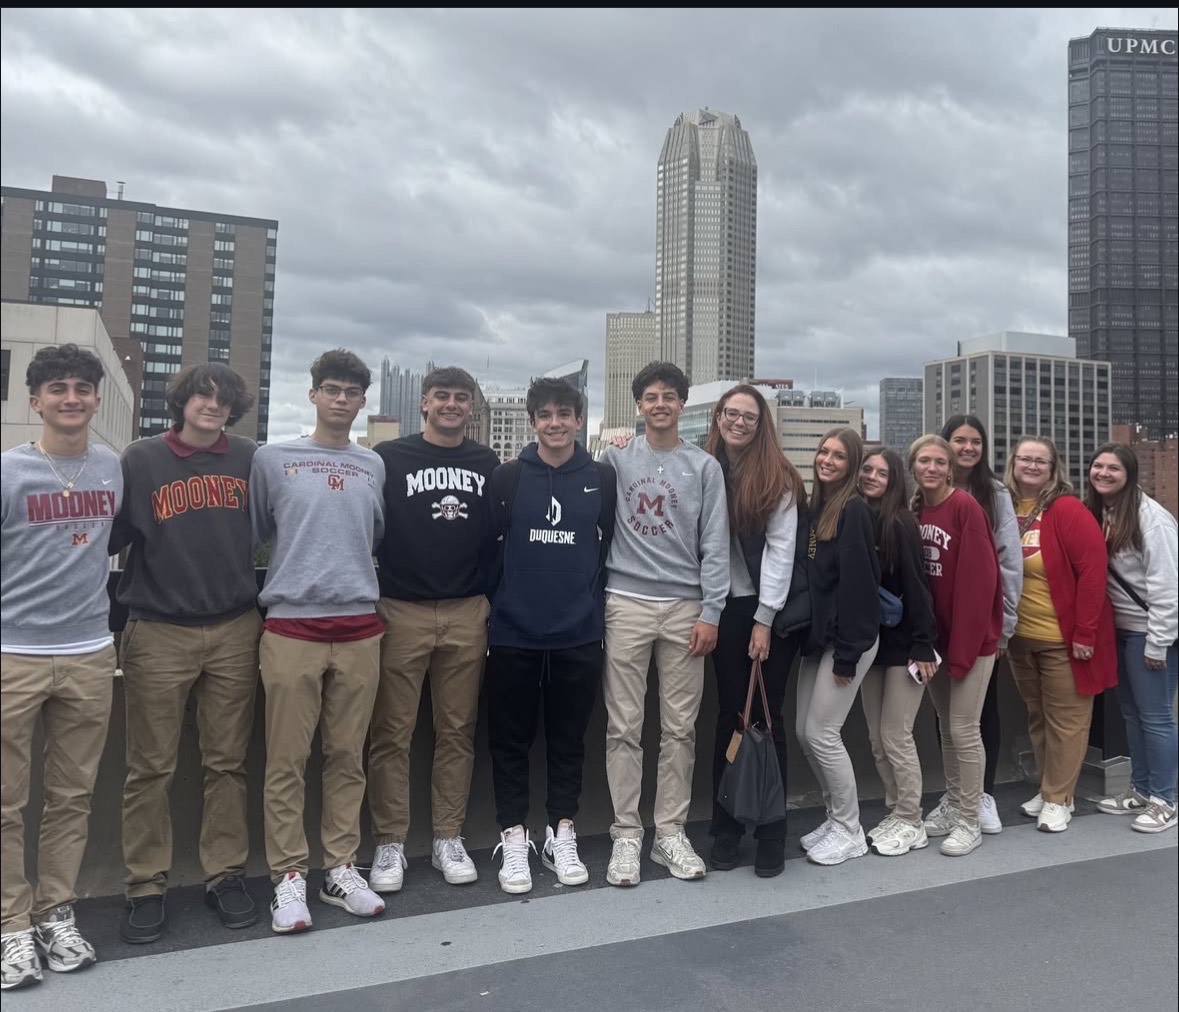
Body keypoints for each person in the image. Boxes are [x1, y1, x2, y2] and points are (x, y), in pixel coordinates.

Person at [111, 364, 261, 944]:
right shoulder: (141, 459)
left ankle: (224, 875)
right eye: (203, 395)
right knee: (150, 767)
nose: (212, 405)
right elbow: (108, 536)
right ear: (182, 400)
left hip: (234, 626)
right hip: (158, 629)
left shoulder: (248, 458)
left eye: (224, 398)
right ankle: (145, 885)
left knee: (227, 763)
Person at [250, 349, 387, 933]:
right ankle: (287, 875)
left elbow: (374, 535)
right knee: (286, 760)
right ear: (313, 395)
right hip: (291, 627)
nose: (341, 399)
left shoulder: (372, 464)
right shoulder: (272, 459)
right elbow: (257, 532)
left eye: (351, 392)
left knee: (347, 757)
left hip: (359, 627)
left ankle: (339, 867)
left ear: (362, 402)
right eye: (331, 389)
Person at [1, 344, 122, 990]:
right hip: (12, 654)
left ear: (96, 399)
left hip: (89, 652)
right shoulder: (9, 472)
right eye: (57, 389)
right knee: (4, 801)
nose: (71, 398)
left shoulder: (110, 466)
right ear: (35, 400)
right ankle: (10, 924)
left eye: (81, 388)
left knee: (72, 798)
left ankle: (54, 911)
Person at [368, 366, 500, 890]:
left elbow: (495, 534)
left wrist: (486, 598)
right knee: (391, 733)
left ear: (471, 406)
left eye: (461, 397)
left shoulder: (486, 462)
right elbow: (371, 529)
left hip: (467, 610)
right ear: (424, 402)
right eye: (441, 395)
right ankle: (390, 842)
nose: (451, 404)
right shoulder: (390, 457)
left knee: (458, 732)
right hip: (401, 609)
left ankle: (448, 835)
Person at [599, 361, 729, 886]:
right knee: (623, 727)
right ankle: (627, 834)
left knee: (679, 728)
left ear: (682, 404)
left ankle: (669, 832)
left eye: (669, 397)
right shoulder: (614, 459)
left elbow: (715, 544)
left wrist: (711, 611)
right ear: (639, 405)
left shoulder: (704, 467)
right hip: (625, 602)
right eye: (651, 397)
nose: (660, 404)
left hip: (685, 608)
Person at [484, 377, 616, 893]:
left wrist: (588, 601)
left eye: (564, 413)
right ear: (533, 422)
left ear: (579, 421)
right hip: (513, 633)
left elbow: (608, 546)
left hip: (577, 633)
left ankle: (561, 831)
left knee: (567, 741)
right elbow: (490, 548)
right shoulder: (508, 477)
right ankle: (513, 835)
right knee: (509, 742)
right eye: (545, 415)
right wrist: (503, 603)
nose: (555, 423)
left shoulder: (601, 478)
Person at [703, 384, 804, 878]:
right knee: (729, 716)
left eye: (749, 416)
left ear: (762, 424)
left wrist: (764, 618)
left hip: (768, 611)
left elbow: (781, 551)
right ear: (718, 417)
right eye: (731, 413)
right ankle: (725, 828)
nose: (738, 422)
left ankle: (771, 832)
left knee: (766, 718)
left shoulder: (776, 476)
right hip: (722, 607)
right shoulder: (704, 466)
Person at [1003, 437, 1116, 832]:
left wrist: (1085, 632)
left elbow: (1093, 573)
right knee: (1038, 718)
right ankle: (1050, 786)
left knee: (1067, 722)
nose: (1032, 466)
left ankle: (1059, 798)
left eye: (1041, 461)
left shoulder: (1067, 510)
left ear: (1053, 469)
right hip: (1020, 639)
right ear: (1013, 463)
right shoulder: (1005, 508)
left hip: (1063, 640)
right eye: (1025, 459)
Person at [912, 435, 1003, 857]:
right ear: (913, 467)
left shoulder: (966, 508)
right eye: (923, 461)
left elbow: (980, 585)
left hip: (972, 641)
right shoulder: (916, 510)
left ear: (950, 469)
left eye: (939, 461)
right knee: (946, 726)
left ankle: (970, 819)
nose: (931, 468)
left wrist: (964, 653)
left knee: (965, 729)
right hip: (937, 642)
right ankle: (953, 804)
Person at [932, 414, 1022, 835]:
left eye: (975, 442)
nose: (968, 448)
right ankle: (955, 796)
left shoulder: (994, 493)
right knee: (946, 714)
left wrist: (1005, 624)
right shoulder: (927, 488)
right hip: (939, 624)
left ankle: (982, 796)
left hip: (983, 623)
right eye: (959, 440)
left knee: (981, 711)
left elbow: (1010, 560)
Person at [795, 427, 880, 866]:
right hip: (821, 639)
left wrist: (847, 654)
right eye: (823, 452)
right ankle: (834, 819)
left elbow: (860, 588)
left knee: (823, 734)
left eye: (839, 456)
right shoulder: (818, 507)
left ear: (852, 465)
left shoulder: (854, 510)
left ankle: (850, 829)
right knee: (804, 732)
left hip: (849, 641)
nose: (827, 460)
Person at [1087, 443, 1178, 834]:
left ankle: (1166, 800)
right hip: (1120, 631)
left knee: (1156, 718)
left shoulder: (1151, 519)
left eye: (1114, 468)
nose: (1104, 473)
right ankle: (1141, 790)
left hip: (1149, 632)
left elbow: (1167, 585)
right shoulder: (1101, 512)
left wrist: (1158, 642)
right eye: (1098, 466)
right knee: (1131, 713)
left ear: (1129, 475)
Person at [857, 448, 939, 857]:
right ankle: (896, 809)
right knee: (876, 737)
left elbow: (918, 585)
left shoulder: (900, 522)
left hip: (906, 647)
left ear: (894, 482)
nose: (872, 477)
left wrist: (923, 644)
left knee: (895, 734)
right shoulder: (860, 517)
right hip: (872, 645)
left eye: (882, 473)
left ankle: (911, 819)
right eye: (867, 469)